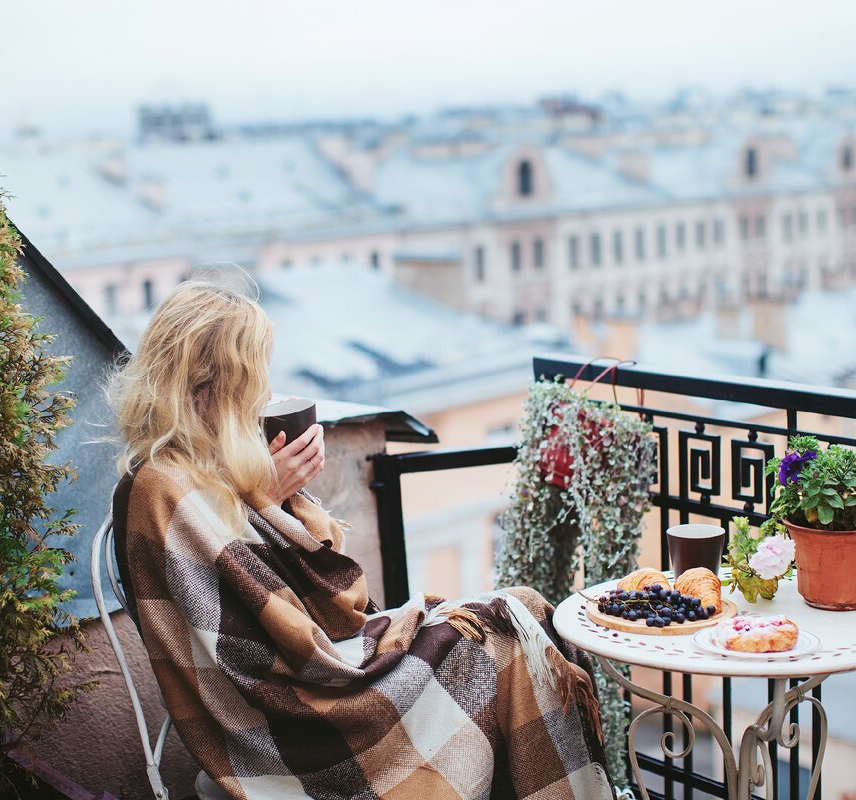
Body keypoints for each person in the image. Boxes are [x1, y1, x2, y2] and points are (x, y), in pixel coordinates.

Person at [107, 279, 613, 800]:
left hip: (322, 683)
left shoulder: (206, 468)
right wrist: (266, 500)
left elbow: (341, 609)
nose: (262, 394)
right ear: (208, 388)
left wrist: (277, 501)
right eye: (253, 378)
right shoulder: (161, 489)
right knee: (507, 629)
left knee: (525, 609)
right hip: (301, 727)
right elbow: (297, 650)